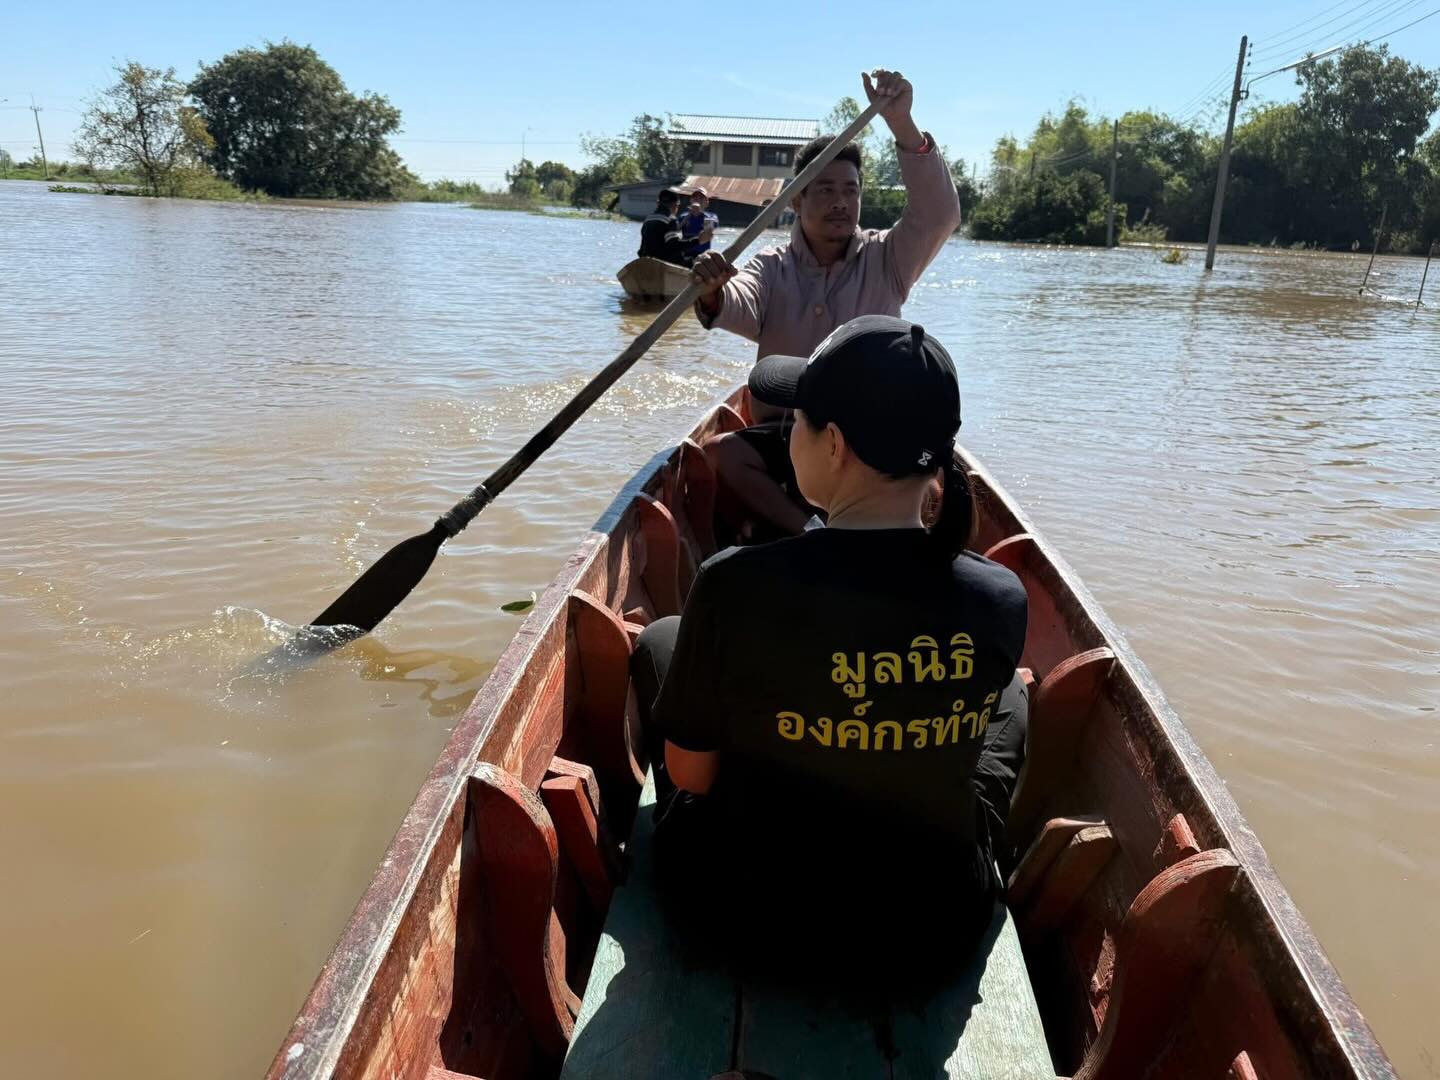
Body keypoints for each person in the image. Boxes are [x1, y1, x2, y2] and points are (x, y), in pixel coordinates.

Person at [630, 316, 1029, 978]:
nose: (790, 437)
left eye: (799, 423)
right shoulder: (1000, 598)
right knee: (1010, 691)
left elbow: (693, 775)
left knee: (661, 641)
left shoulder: (732, 583)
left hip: (742, 917)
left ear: (835, 443)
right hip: (931, 930)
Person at [691, 70, 961, 540]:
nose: (841, 202)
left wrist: (902, 124)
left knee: (933, 483)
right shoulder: (771, 266)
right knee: (720, 454)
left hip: (870, 433)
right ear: (797, 200)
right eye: (826, 190)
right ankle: (812, 532)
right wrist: (713, 289)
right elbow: (740, 303)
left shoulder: (888, 258)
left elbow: (939, 213)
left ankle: (903, 547)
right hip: (790, 431)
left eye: (851, 191)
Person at [637, 189, 689, 265]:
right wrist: (697, 240)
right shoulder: (671, 219)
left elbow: (642, 249)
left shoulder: (648, 219)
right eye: (678, 206)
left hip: (645, 261)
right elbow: (674, 246)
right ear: (675, 205)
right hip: (661, 264)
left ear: (658, 203)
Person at [677, 188, 719, 261]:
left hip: (703, 255)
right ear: (691, 200)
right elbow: (676, 229)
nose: (698, 199)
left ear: (706, 202)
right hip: (686, 254)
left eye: (701, 198)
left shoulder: (711, 216)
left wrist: (699, 213)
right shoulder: (683, 216)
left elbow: (711, 228)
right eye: (695, 197)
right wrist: (690, 214)